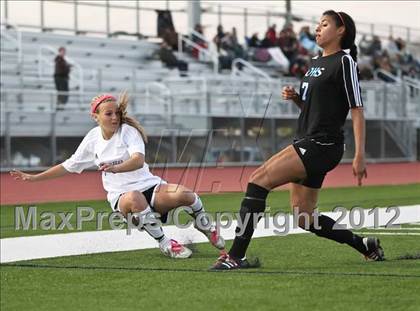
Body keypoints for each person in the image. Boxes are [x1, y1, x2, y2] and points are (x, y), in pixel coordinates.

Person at [211, 10, 384, 270]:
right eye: (318, 25)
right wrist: (296, 100)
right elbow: (315, 110)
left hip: (322, 144)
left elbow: (357, 109)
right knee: (305, 218)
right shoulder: (315, 63)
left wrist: (360, 155)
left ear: (340, 31)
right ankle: (365, 245)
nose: (317, 29)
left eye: (325, 25)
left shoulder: (345, 62)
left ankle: (236, 256)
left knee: (257, 180)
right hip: (310, 141)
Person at [10, 92, 225, 259]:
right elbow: (69, 165)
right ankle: (166, 244)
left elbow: (138, 160)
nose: (115, 117)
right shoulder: (92, 139)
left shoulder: (128, 131)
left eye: (117, 113)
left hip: (150, 187)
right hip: (123, 198)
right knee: (133, 196)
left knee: (185, 194)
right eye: (108, 114)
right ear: (95, 117)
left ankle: (205, 225)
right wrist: (34, 177)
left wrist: (116, 168)